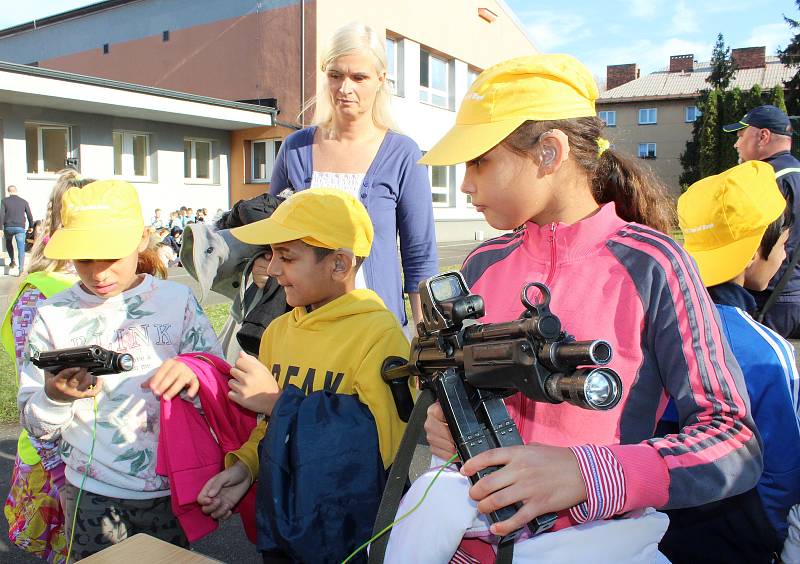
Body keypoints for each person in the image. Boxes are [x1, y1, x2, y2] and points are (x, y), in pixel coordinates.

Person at [384, 54, 761, 563]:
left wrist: (588, 475)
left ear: (548, 152)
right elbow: (454, 394)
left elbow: (733, 440)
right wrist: (447, 424)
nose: (466, 184)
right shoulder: (479, 265)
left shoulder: (655, 265)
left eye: (479, 161)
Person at [195, 189, 411, 563]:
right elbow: (270, 427)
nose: (274, 269)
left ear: (340, 265)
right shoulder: (278, 332)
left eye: (287, 257)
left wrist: (279, 402)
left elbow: (385, 446)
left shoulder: (379, 335)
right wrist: (248, 466)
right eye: (272, 254)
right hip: (286, 522)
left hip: (352, 533)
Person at [17, 179, 222, 560]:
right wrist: (54, 397)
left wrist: (194, 373)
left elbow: (216, 377)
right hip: (93, 491)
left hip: (171, 486)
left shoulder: (176, 301)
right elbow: (36, 425)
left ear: (143, 239)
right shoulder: (54, 315)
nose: (98, 273)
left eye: (110, 256)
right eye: (84, 259)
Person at [656, 161, 800, 563]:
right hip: (733, 544)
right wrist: (766, 539)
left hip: (648, 534)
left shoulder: (649, 324)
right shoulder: (765, 350)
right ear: (755, 250)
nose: (786, 250)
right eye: (785, 239)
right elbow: (783, 472)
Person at [269, 21, 437, 330]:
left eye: (358, 77)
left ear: (380, 79)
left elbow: (419, 255)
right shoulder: (296, 148)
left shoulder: (403, 153)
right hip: (304, 327)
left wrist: (424, 336)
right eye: (335, 75)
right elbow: (271, 234)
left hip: (376, 330)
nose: (345, 89)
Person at [1, 169, 93, 563]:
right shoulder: (41, 293)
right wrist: (57, 471)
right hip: (57, 459)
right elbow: (35, 386)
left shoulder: (125, 285)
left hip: (112, 458)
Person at [723, 104, 800, 337]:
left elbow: (745, 243)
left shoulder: (761, 177)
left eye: (741, 136)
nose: (736, 144)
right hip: (793, 295)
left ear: (763, 136)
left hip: (767, 298)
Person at [0, 185, 34, 275]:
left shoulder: (4, 201)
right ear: (16, 191)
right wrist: (31, 226)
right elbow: (30, 215)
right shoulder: (23, 201)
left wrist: (1, 229)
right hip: (20, 228)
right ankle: (21, 269)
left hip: (8, 227)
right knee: (21, 248)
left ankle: (12, 260)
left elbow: (1, 215)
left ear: (8, 191)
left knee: (8, 242)